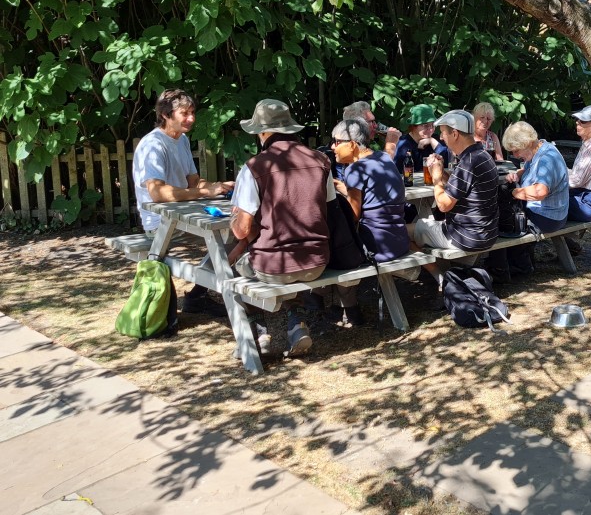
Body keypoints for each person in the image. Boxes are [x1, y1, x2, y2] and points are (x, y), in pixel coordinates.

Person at [228, 99, 335, 356]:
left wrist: (235, 218)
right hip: (317, 261)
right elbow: (328, 208)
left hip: (274, 266)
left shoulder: (254, 167)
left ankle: (259, 333)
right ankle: (295, 325)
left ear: (262, 133)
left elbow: (241, 231)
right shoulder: (320, 161)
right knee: (285, 265)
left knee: (233, 269)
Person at [132, 88, 234, 317]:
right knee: (230, 235)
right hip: (159, 222)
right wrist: (203, 192)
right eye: (184, 113)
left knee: (237, 232)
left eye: (192, 112)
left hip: (184, 214)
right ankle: (212, 294)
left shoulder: (183, 139)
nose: (191, 118)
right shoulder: (153, 145)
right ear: (166, 115)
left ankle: (198, 294)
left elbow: (194, 182)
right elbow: (158, 193)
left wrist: (216, 186)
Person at [409, 110, 498, 270]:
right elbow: (463, 187)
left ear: (455, 133)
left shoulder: (468, 163)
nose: (441, 138)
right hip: (486, 233)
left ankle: (440, 277)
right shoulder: (482, 155)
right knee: (423, 225)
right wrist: (442, 172)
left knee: (398, 232)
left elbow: (443, 205)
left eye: (443, 133)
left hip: (465, 237)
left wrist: (436, 178)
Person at [331, 118, 410, 263]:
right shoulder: (384, 158)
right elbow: (370, 195)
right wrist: (339, 186)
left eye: (337, 142)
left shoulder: (355, 169)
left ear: (352, 144)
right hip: (399, 241)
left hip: (376, 247)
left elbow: (353, 216)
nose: (332, 147)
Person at [501, 121, 569, 275]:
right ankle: (515, 263)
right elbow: (529, 171)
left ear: (527, 143)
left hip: (548, 216)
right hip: (552, 212)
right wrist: (517, 174)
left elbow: (540, 191)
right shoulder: (540, 149)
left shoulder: (546, 159)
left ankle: (514, 267)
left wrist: (513, 193)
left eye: (516, 151)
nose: (515, 155)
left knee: (502, 217)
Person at [394, 104, 451, 175]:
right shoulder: (403, 144)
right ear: (414, 126)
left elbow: (448, 163)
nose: (430, 129)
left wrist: (432, 141)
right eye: (425, 125)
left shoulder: (436, 139)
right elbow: (400, 172)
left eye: (433, 125)